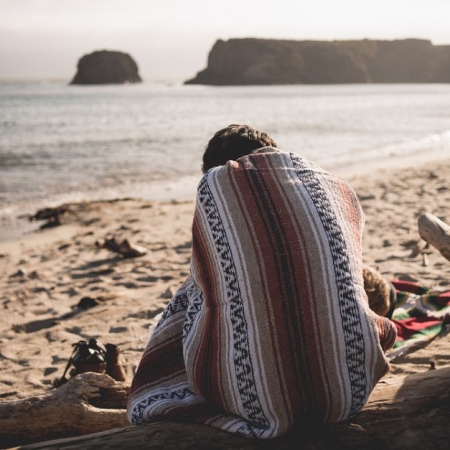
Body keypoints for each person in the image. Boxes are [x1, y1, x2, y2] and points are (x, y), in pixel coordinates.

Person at [127, 124, 397, 438]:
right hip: (350, 388)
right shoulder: (334, 185)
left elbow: (205, 285)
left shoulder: (216, 184)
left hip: (252, 403)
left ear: (218, 166)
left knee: (190, 293)